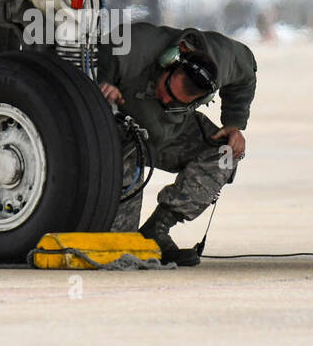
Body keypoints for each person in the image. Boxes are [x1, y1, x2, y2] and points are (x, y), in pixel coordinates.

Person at [98, 23, 257, 266]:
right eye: (165, 90)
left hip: (171, 133)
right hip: (123, 136)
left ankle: (157, 229)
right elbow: (103, 48)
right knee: (120, 248)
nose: (164, 98)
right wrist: (103, 82)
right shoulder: (139, 46)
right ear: (167, 62)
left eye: (175, 101)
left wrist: (234, 124)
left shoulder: (223, 58)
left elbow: (247, 69)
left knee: (226, 153)